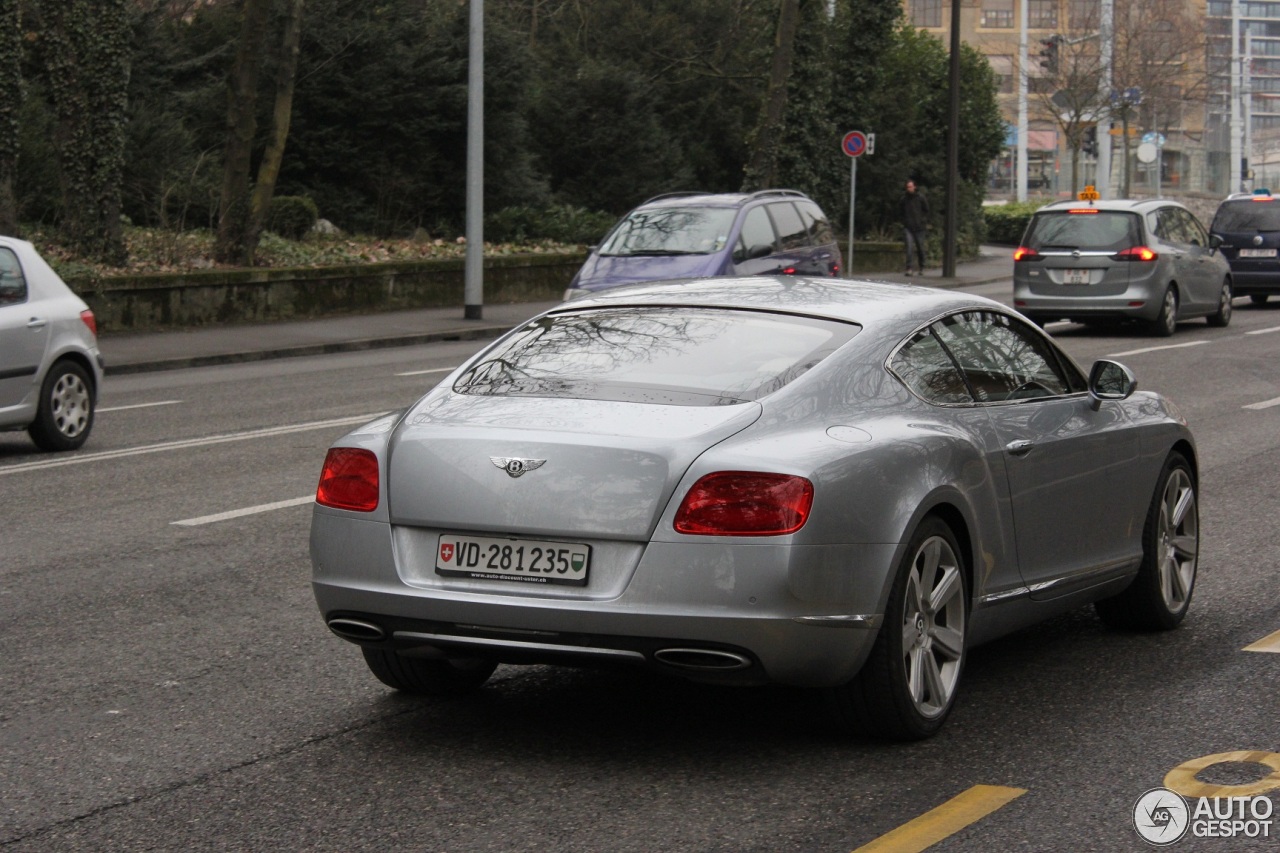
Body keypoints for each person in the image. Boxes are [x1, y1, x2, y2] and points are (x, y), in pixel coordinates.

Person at [901, 179, 930, 276]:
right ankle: (909, 268)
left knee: (920, 247)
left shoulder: (920, 198)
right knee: (909, 247)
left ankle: (922, 266)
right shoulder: (904, 199)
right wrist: (904, 222)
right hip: (908, 227)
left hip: (919, 227)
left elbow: (926, 210)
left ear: (914, 187)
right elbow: (900, 211)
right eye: (908, 187)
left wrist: (923, 221)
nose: (909, 189)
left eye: (911, 186)